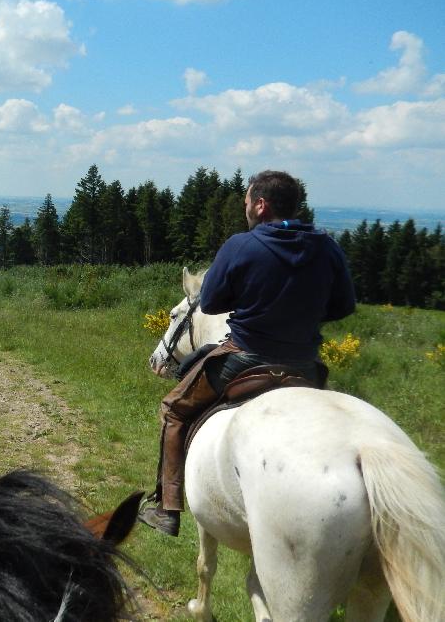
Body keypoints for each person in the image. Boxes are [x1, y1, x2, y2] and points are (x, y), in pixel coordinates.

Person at [138, 170, 356, 537]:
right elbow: (343, 305)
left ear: (261, 204)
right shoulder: (327, 246)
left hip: (245, 356)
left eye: (246, 203)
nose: (245, 211)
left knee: (174, 410)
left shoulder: (242, 245)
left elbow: (210, 301)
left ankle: (168, 508)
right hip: (305, 364)